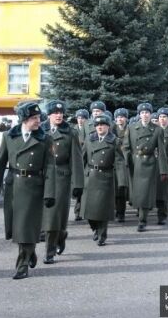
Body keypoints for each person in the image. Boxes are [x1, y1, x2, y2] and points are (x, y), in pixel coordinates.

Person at [0, 102, 56, 280]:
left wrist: (49, 193)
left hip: (34, 186)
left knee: (25, 226)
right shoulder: (9, 136)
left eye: (39, 118)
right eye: (34, 118)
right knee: (16, 228)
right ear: (24, 120)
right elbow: (0, 163)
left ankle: (22, 264)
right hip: (14, 186)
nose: (38, 121)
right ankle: (30, 250)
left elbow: (50, 167)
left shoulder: (44, 138)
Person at [41, 100, 83, 264]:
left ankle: (49, 252)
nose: (58, 115)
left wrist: (78, 184)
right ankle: (61, 234)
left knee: (53, 216)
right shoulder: (40, 130)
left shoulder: (70, 133)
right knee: (43, 216)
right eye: (55, 113)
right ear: (49, 115)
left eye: (61, 113)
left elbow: (76, 159)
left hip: (60, 178)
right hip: (42, 178)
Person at [81, 114, 126, 244]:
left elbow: (119, 162)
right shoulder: (89, 139)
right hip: (90, 176)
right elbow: (82, 158)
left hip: (105, 177)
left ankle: (102, 234)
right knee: (89, 211)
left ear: (108, 126)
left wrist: (122, 181)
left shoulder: (114, 141)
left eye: (103, 125)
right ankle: (94, 227)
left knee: (102, 209)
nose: (100, 127)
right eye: (98, 125)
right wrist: (79, 177)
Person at [123, 103, 167, 231]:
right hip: (134, 164)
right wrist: (126, 162)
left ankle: (142, 220)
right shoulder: (131, 128)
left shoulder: (157, 130)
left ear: (151, 114)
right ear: (139, 114)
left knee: (145, 193)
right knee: (136, 194)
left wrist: (163, 170)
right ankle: (140, 214)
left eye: (147, 112)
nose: (145, 115)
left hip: (149, 164)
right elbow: (126, 147)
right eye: (142, 113)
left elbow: (162, 152)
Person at [112, 108, 129, 222]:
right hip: (113, 162)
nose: (119, 119)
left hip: (125, 162)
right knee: (113, 190)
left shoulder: (130, 129)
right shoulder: (111, 129)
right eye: (117, 117)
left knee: (121, 189)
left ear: (126, 119)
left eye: (122, 117)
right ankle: (113, 211)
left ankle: (121, 213)